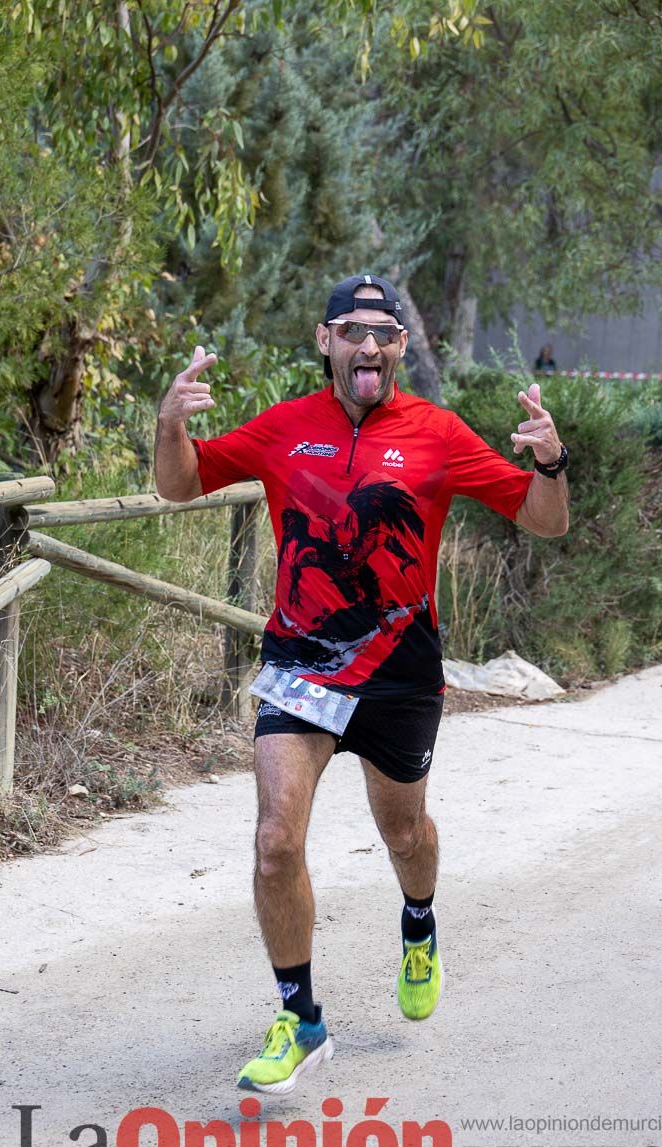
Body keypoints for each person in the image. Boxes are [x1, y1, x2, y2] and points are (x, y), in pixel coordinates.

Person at [154, 273, 569, 1094]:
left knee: (405, 834)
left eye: (382, 331)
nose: (367, 344)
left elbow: (543, 519)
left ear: (401, 347)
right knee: (276, 841)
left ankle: (418, 925)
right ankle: (301, 1020)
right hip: (300, 667)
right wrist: (167, 425)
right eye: (352, 329)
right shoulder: (284, 430)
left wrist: (554, 460)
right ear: (326, 341)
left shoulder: (438, 434)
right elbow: (179, 483)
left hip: (399, 674)